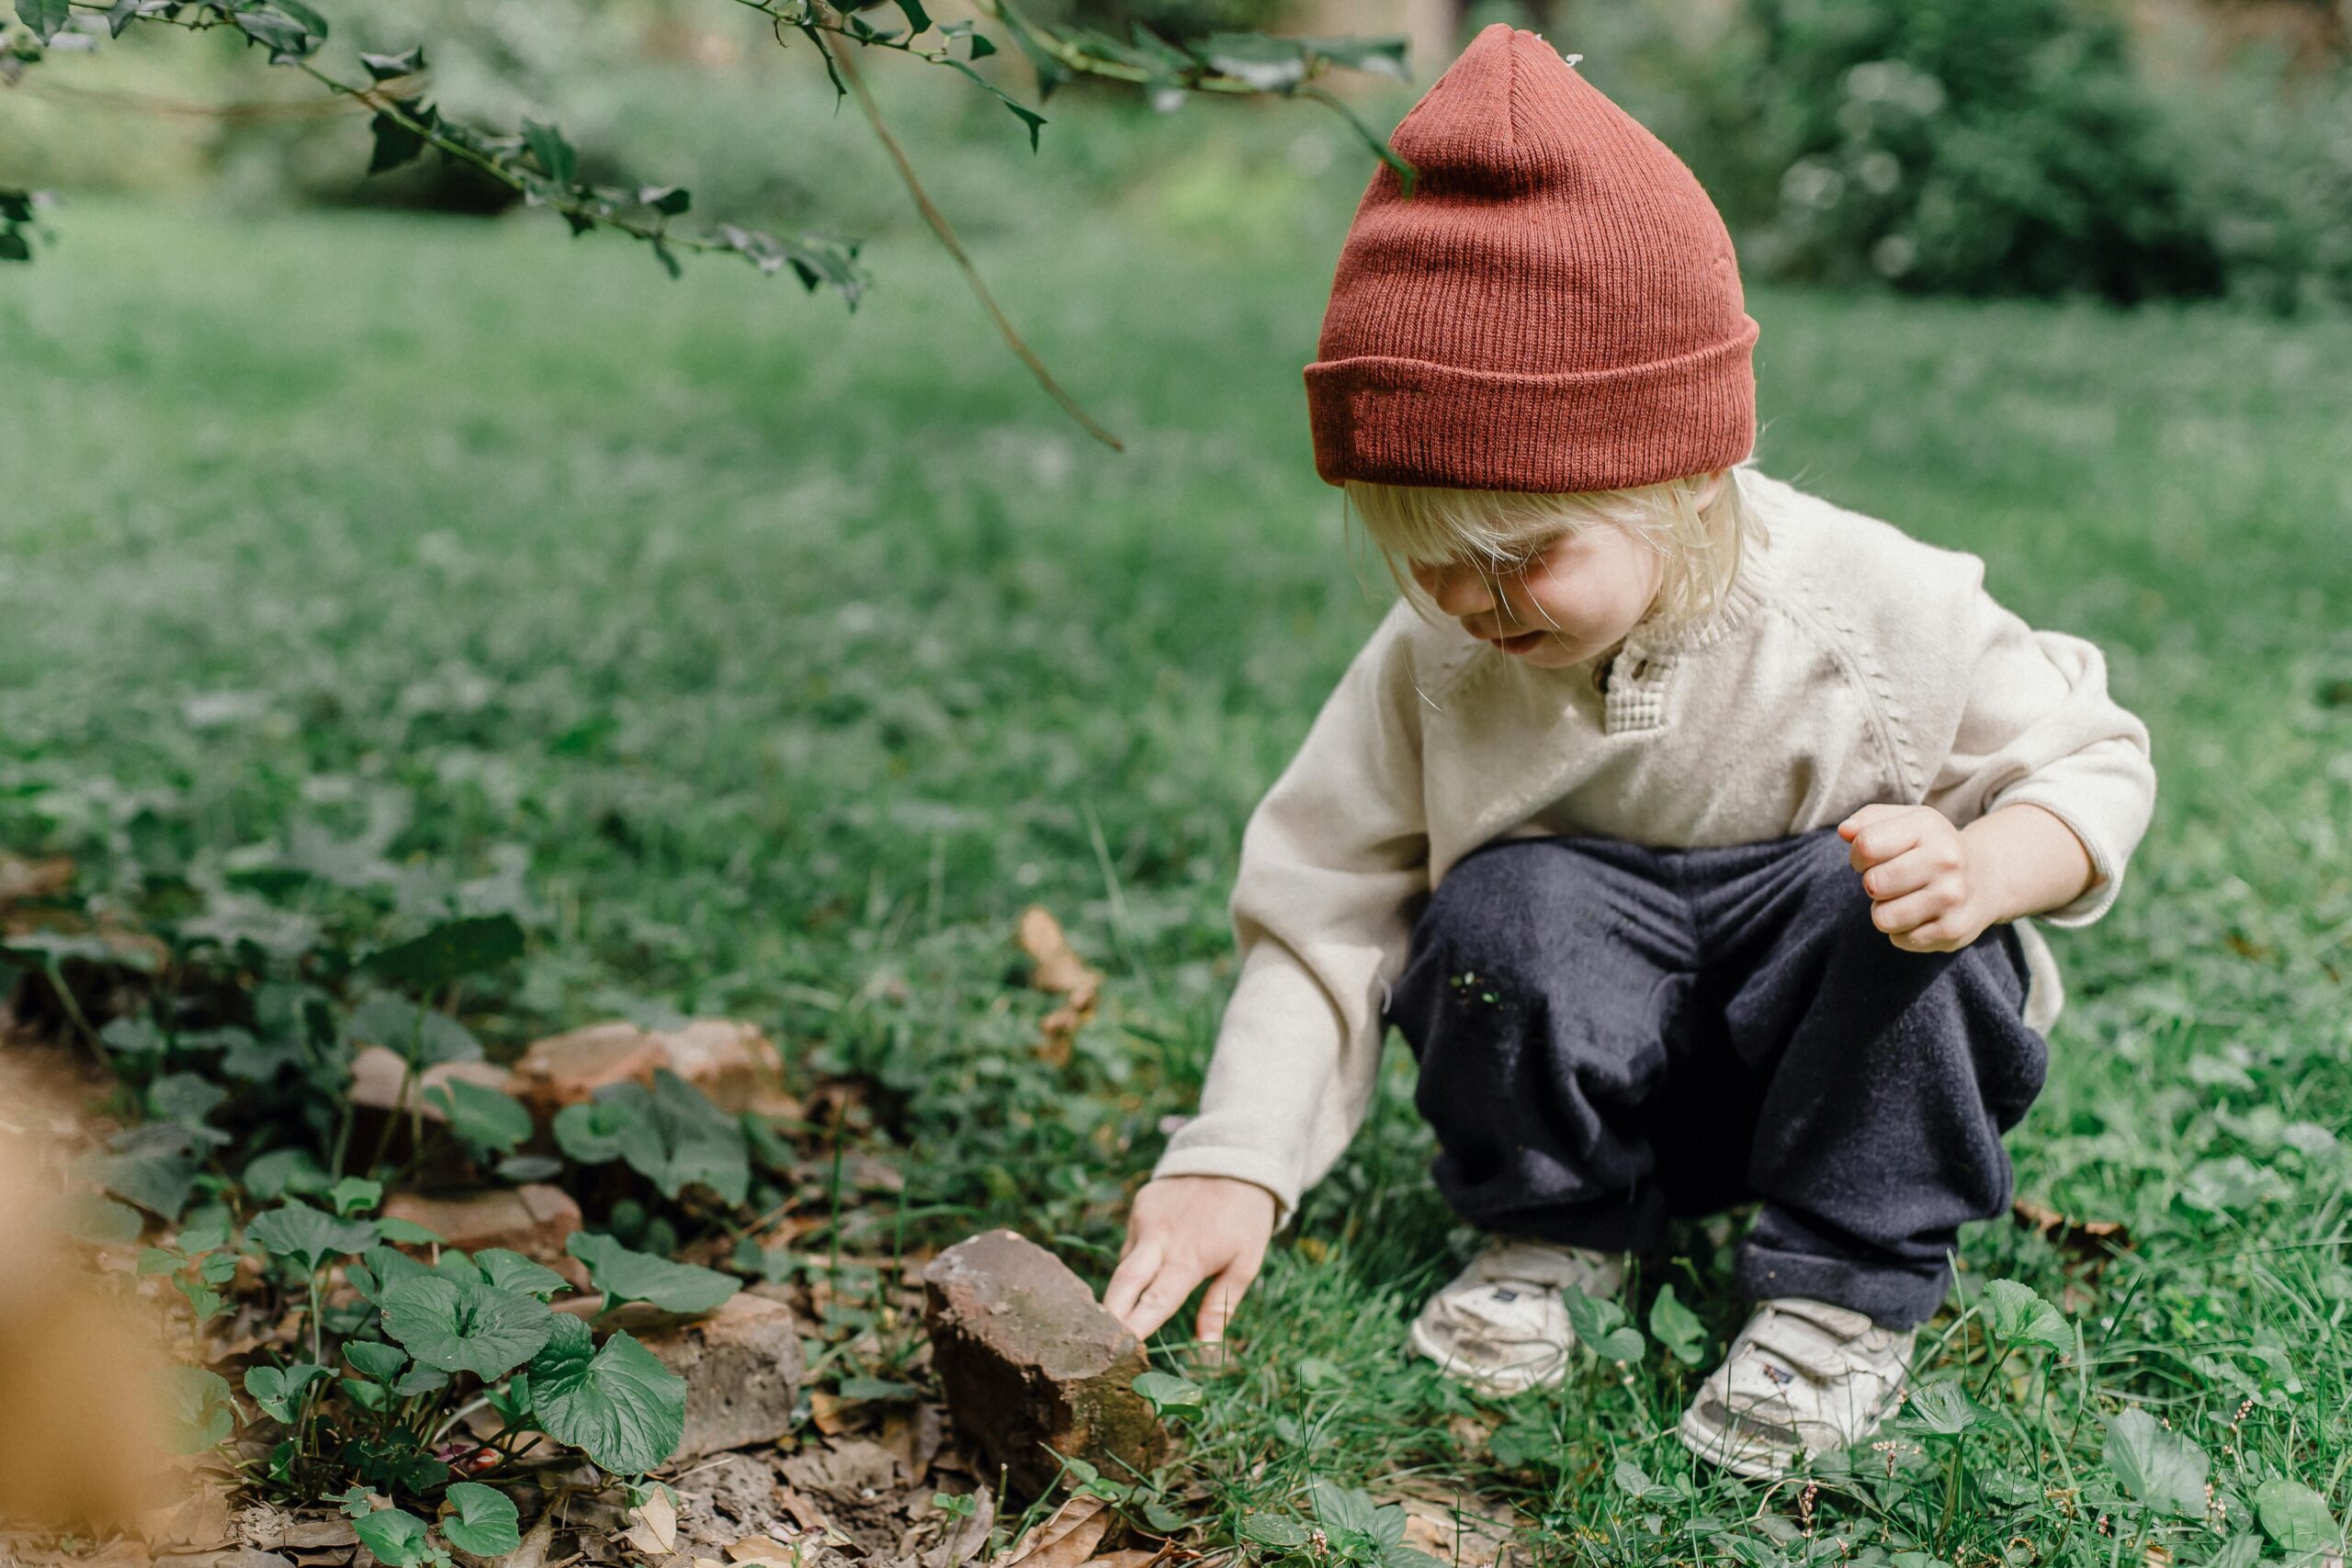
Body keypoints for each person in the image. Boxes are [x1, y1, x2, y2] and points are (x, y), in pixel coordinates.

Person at [1098, 24, 2155, 1479]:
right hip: (1594, 1062)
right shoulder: (1442, 662)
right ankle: (1557, 1227)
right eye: (1428, 563)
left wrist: (1987, 865)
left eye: (1521, 554)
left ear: (1680, 474)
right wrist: (1233, 1158)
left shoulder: (1864, 610)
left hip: (1824, 1052)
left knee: (1903, 920)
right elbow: (1322, 906)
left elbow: (2093, 757)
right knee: (1504, 908)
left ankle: (1841, 1298)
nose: (1474, 602)